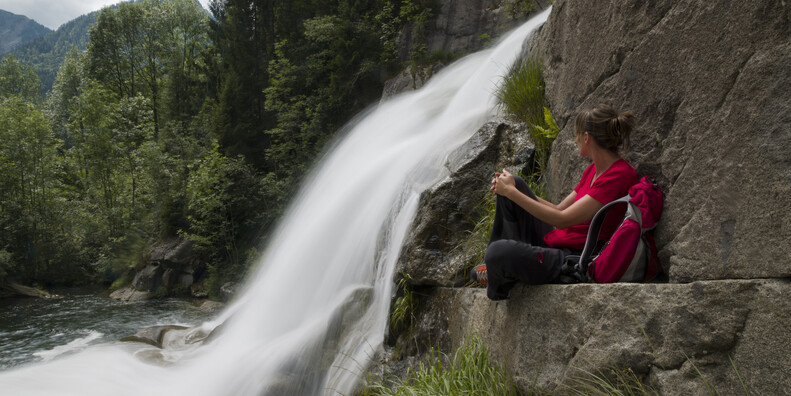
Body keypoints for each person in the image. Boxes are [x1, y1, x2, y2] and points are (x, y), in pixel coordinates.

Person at [476, 104, 638, 300]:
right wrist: (513, 189)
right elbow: (557, 209)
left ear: (586, 138)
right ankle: (500, 267)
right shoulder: (592, 172)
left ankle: (500, 272)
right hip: (558, 241)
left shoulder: (619, 175)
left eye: (576, 134)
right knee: (517, 183)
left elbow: (562, 219)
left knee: (496, 252)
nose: (575, 139)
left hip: (575, 258)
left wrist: (511, 192)